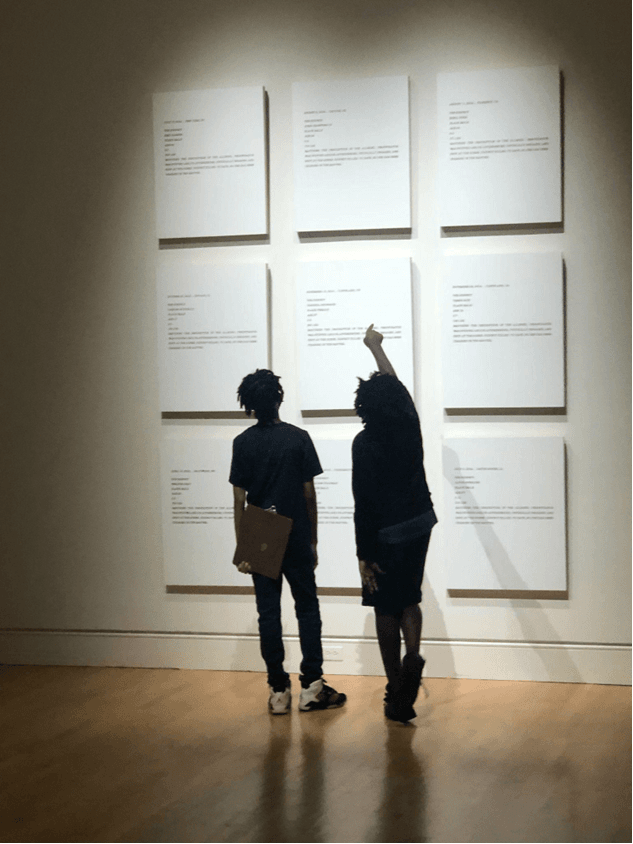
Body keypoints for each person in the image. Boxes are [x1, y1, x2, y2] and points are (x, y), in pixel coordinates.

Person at [229, 368, 347, 715]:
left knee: (268, 613)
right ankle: (312, 688)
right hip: (294, 529)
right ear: (279, 398)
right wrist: (313, 540)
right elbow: (309, 494)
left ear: (248, 405)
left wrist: (243, 549)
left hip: (261, 531)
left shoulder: (242, 443)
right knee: (307, 609)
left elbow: (239, 500)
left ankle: (278, 691)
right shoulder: (298, 438)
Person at [352, 325, 436, 722]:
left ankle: (395, 687)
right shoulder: (408, 425)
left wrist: (363, 554)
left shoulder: (363, 443)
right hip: (419, 521)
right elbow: (395, 384)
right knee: (411, 597)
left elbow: (362, 503)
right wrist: (376, 348)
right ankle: (413, 655)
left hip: (385, 533)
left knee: (385, 606)